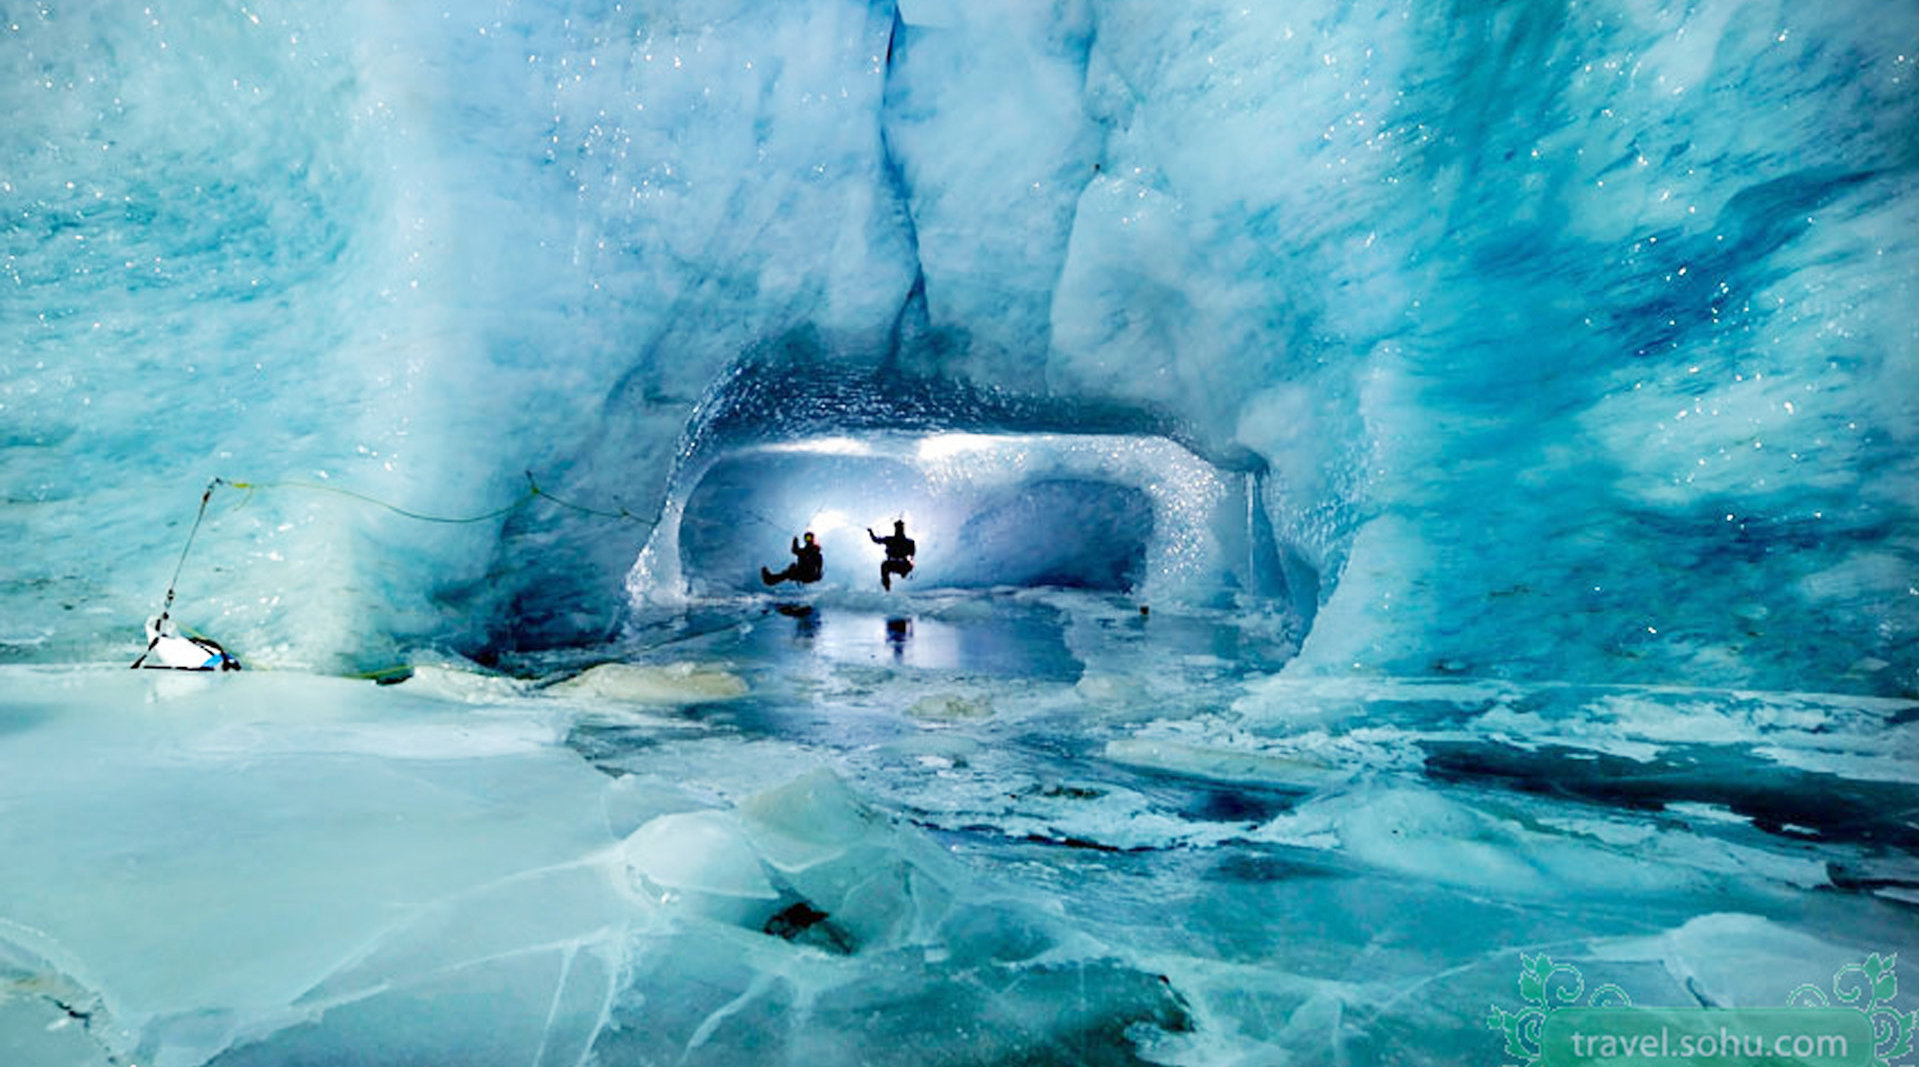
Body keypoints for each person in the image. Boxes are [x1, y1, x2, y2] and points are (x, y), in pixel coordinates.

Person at [868, 519, 915, 591]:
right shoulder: (889, 539)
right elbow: (876, 540)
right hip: (894, 564)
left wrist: (910, 565)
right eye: (898, 528)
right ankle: (887, 587)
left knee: (887, 565)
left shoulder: (909, 542)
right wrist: (871, 533)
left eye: (900, 528)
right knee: (884, 565)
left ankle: (901, 575)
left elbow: (912, 556)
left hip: (903, 565)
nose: (899, 530)